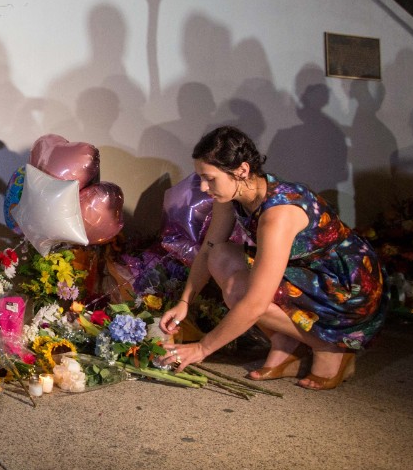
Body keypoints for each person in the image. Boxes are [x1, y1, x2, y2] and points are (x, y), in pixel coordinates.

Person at [157, 126, 387, 390]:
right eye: (201, 178)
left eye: (210, 179)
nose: (204, 187)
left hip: (347, 288)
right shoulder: (231, 194)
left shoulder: (278, 214)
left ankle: (329, 346)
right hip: (305, 273)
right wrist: (185, 301)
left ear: (242, 171)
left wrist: (202, 348)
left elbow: (256, 303)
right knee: (220, 255)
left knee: (241, 292)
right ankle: (287, 343)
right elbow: (210, 247)